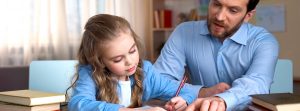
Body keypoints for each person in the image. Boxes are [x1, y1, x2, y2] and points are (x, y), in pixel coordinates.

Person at [153, 0, 279, 110]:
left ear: (248, 15)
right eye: (216, 4)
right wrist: (203, 92)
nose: (219, 17)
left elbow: (257, 84)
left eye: (233, 10)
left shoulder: (264, 42)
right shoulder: (183, 32)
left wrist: (221, 100)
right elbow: (158, 83)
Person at [67, 14, 197, 111]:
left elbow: (189, 91)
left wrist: (183, 100)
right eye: (118, 59)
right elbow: (78, 104)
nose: (130, 62)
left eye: (132, 50)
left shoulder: (145, 72)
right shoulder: (91, 72)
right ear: (99, 61)